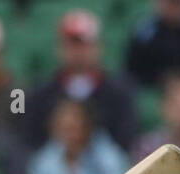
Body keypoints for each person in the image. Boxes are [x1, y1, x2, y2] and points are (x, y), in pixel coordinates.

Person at [24, 9, 137, 152]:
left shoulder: (119, 93)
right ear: (59, 48)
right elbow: (31, 140)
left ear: (98, 47)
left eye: (83, 44)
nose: (77, 51)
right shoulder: (41, 93)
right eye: (71, 44)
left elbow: (125, 140)